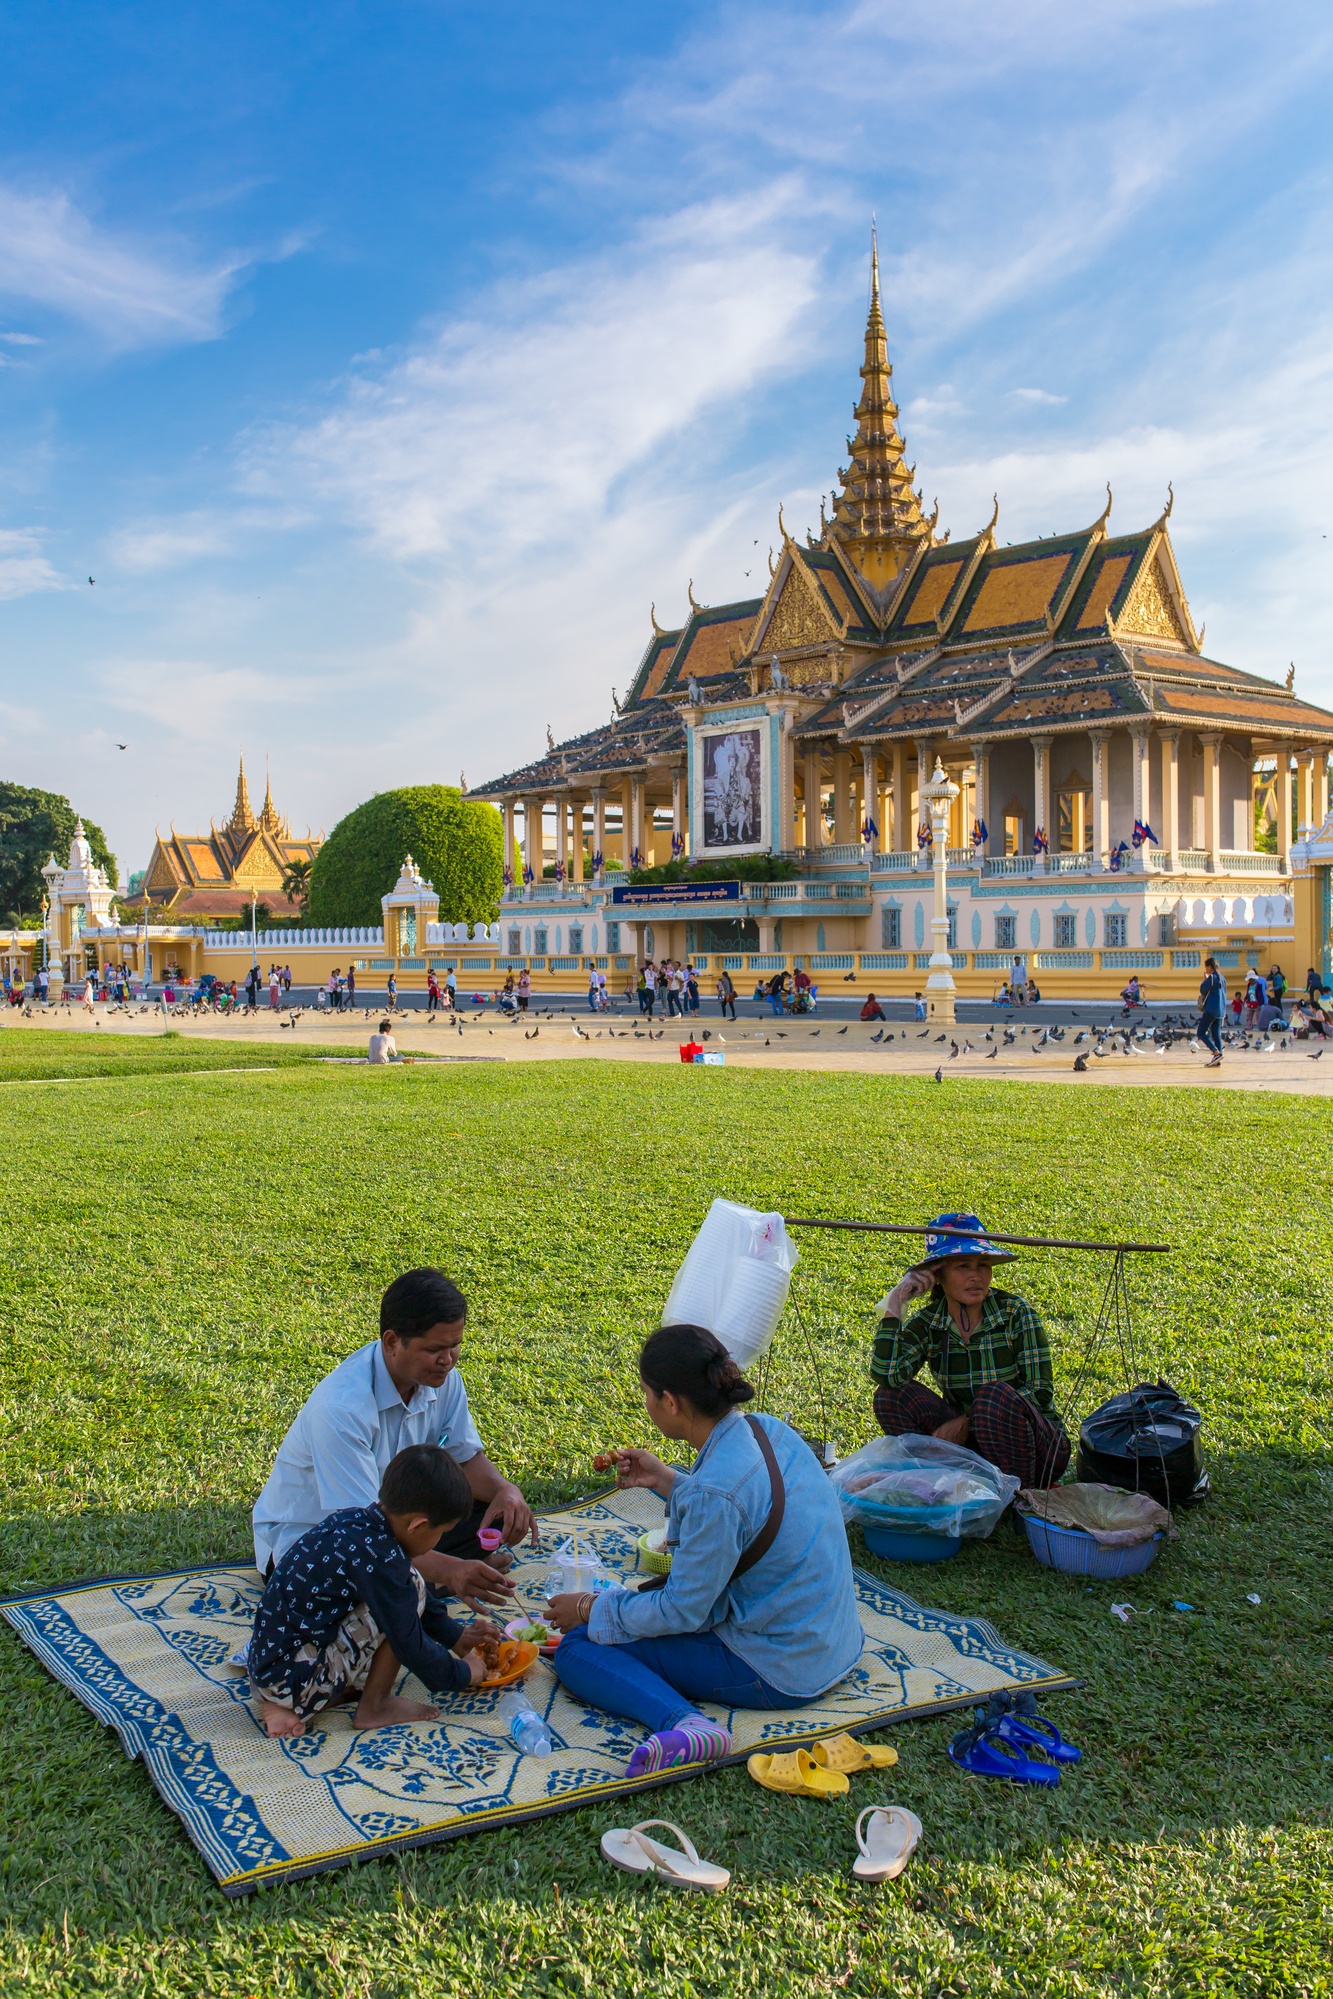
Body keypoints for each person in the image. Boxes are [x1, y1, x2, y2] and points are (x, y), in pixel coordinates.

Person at [548, 1324, 863, 1778]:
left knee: (579, 1648)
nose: (647, 1403)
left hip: (784, 1668)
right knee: (612, 1623)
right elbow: (740, 1507)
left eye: (646, 1394)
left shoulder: (715, 1494)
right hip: (834, 1643)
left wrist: (590, 1607)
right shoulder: (766, 1429)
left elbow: (684, 1611)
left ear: (670, 1402)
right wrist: (665, 1478)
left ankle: (687, 1724)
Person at [252, 1268, 536, 1605]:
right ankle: (432, 1584)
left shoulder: (443, 1379)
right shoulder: (341, 1410)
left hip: (397, 1523)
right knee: (370, 1589)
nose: (447, 1360)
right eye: (434, 1349)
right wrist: (449, 1570)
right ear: (391, 1342)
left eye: (455, 1345)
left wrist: (507, 1491)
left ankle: (427, 1579)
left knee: (491, 1511)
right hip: (318, 1544)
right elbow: (361, 1535)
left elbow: (465, 1458)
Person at [249, 1444, 498, 1738]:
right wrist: (462, 1674)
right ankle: (374, 1706)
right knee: (398, 1608)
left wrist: (455, 1636)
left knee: (407, 1585)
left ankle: (291, 1699)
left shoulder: (360, 1524)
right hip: (292, 1677)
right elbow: (409, 1642)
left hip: (272, 1664)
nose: (439, 1540)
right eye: (440, 1532)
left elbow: (410, 1586)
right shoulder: (382, 1559)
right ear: (418, 1525)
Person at [870, 1213, 1069, 1491]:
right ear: (937, 1275)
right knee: (890, 1396)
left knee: (994, 1396)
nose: (976, 1277)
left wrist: (969, 1420)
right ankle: (942, 1485)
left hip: (1037, 1448)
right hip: (972, 1448)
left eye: (983, 1265)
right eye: (963, 1266)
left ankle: (1020, 1498)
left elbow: (1040, 1391)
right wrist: (896, 1301)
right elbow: (887, 1375)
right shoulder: (929, 1323)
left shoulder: (1014, 1313)